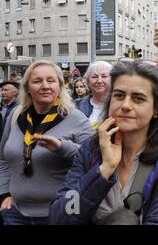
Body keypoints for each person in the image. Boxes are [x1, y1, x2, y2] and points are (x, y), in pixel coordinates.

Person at [49, 60, 158, 225]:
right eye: (119, 95)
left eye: (138, 98)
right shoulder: (90, 150)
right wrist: (103, 171)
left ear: (156, 109)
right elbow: (62, 217)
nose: (125, 105)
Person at [0, 60, 94, 225]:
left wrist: (61, 147)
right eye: (37, 81)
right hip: (16, 213)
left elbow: (93, 160)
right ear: (27, 87)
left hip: (61, 212)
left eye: (51, 80)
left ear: (59, 85)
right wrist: (4, 193)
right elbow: (3, 159)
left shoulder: (76, 118)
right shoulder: (16, 115)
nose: (45, 86)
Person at [75, 61, 112, 129]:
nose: (99, 81)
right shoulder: (76, 105)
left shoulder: (118, 105)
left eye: (104, 76)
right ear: (88, 82)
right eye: (94, 77)